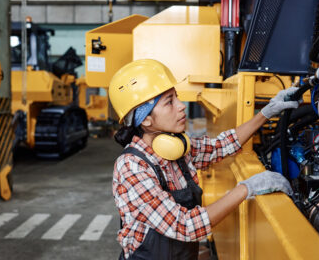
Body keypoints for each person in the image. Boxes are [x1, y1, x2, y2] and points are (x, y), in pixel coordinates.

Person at [110, 59, 301, 260]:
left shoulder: (177, 149)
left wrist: (267, 112)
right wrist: (247, 188)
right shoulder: (132, 166)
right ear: (146, 119)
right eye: (169, 102)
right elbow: (184, 225)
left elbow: (222, 145)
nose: (181, 106)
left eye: (177, 97)